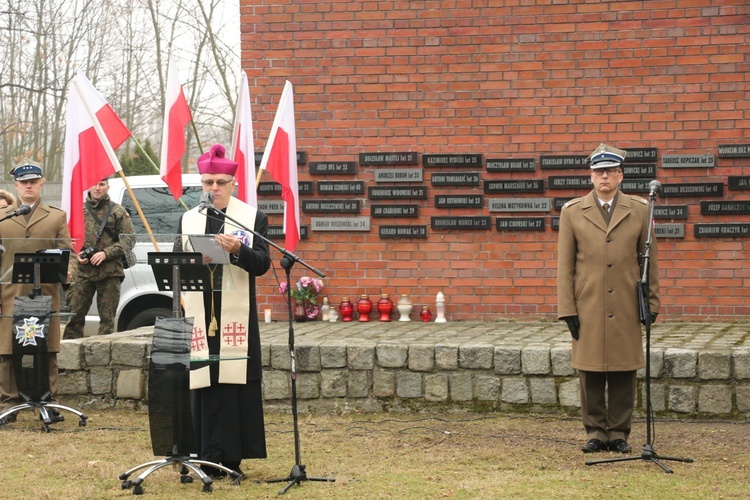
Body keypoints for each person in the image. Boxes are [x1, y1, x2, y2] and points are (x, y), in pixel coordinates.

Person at [557, 143, 660, 454]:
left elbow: (650, 261)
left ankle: (618, 432)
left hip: (627, 300)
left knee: (623, 369)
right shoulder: (572, 212)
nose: (604, 176)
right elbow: (565, 265)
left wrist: (651, 303)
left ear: (620, 176)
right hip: (587, 301)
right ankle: (595, 432)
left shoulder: (641, 210)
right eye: (599, 171)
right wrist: (567, 308)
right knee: (589, 370)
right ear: (591, 176)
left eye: (610, 171)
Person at [178, 143, 271, 476]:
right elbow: (177, 263)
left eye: (220, 182)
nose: (213, 188)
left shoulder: (250, 217)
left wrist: (238, 251)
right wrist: (190, 261)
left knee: (233, 384)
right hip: (200, 313)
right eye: (207, 182)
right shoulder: (188, 218)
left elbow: (262, 264)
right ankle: (203, 452)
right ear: (200, 185)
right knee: (203, 382)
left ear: (233, 185)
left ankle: (231, 457)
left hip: (235, 315)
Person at [0, 162, 77, 426]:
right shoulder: (4, 217)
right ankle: (9, 404)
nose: (29, 186)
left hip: (44, 295)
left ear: (42, 183)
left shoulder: (56, 216)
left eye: (34, 181)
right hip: (10, 294)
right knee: (8, 352)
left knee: (47, 351)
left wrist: (69, 271)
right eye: (24, 182)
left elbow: (68, 253)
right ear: (16, 185)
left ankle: (49, 403)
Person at [63, 177, 135, 339]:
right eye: (94, 183)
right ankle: (69, 358)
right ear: (88, 186)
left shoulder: (118, 212)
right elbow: (67, 239)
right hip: (82, 272)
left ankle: (103, 359)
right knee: (74, 317)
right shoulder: (78, 211)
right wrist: (77, 254)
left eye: (101, 184)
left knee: (107, 321)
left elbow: (129, 239)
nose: (97, 188)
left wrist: (106, 253)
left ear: (107, 187)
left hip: (109, 273)